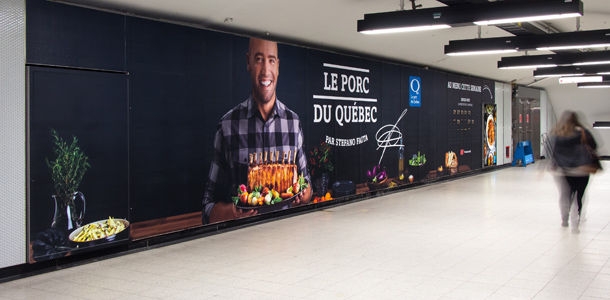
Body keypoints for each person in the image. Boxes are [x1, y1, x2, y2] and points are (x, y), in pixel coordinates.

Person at [202, 38, 312, 225]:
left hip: (289, 241)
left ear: (278, 66)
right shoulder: (228, 126)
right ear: (248, 62)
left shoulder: (293, 123)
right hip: (242, 244)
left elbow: (308, 188)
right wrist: (233, 212)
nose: (266, 71)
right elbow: (208, 209)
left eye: (271, 60)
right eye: (259, 59)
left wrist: (303, 195)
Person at [550, 111, 598, 228]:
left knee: (565, 195)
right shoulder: (583, 132)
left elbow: (555, 151)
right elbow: (594, 146)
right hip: (582, 169)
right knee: (579, 195)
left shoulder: (559, 133)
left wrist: (555, 164)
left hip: (565, 170)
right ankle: (577, 217)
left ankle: (564, 219)